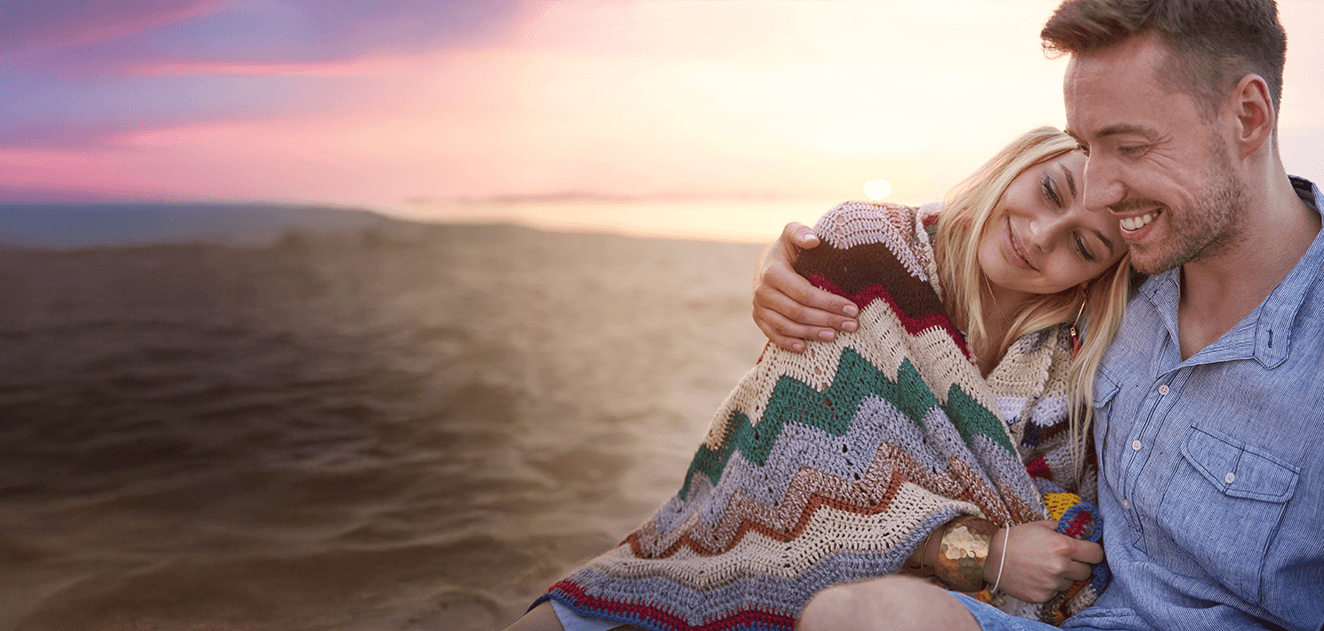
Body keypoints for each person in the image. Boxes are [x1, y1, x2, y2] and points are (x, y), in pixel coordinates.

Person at [781, 1, 1324, 630]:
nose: (1098, 192)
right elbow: (949, 247)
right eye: (1086, 147)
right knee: (860, 617)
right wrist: (799, 256)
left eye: (1130, 146)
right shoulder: (1123, 274)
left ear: (1247, 117)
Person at [504, 125, 1132, 631]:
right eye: (1051, 192)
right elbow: (806, 471)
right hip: (735, 546)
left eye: (1085, 246)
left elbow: (1054, 519)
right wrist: (978, 553)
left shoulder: (1077, 361)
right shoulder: (870, 250)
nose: (1042, 235)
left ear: (1101, 273)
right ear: (1022, 160)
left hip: (899, 608)